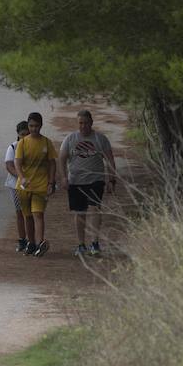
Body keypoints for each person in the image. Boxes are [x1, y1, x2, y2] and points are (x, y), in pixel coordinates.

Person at [59, 109, 117, 257]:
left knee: (95, 209)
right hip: (76, 181)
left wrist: (111, 179)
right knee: (80, 213)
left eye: (86, 123)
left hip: (95, 180)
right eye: (80, 123)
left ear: (91, 123)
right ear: (77, 123)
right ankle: (81, 244)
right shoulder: (70, 139)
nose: (83, 126)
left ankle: (95, 243)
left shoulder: (100, 139)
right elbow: (62, 158)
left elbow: (110, 160)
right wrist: (64, 177)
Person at [13, 111, 58, 256]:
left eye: (36, 126)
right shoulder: (23, 143)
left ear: (41, 125)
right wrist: (22, 177)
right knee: (28, 216)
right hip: (24, 186)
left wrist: (51, 182)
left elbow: (52, 163)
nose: (33, 129)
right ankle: (31, 243)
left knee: (38, 214)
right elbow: (17, 163)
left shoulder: (46, 142)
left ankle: (40, 244)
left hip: (41, 185)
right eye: (31, 126)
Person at [3, 121, 30, 253]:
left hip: (32, 183)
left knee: (32, 212)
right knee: (20, 212)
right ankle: (22, 239)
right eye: (22, 134)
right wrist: (20, 177)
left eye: (27, 134)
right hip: (15, 185)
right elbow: (9, 165)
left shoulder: (34, 146)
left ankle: (33, 239)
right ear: (18, 134)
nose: (25, 137)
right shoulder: (13, 147)